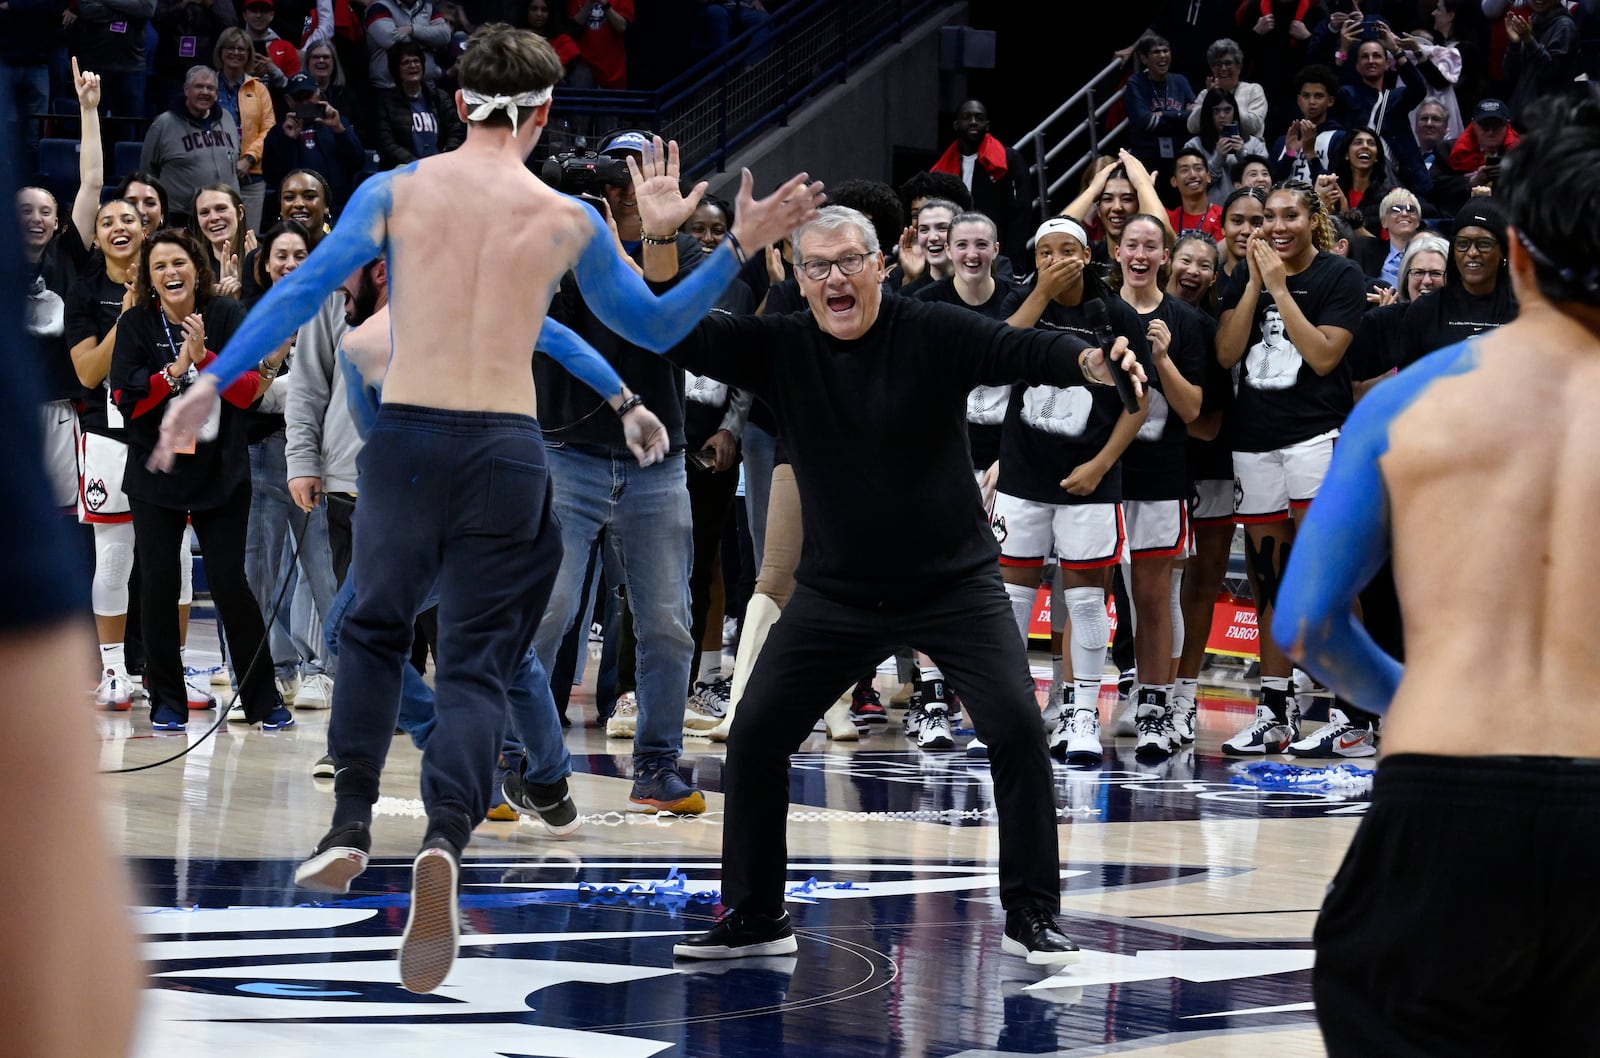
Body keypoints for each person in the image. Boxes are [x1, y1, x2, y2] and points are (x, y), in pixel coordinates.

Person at [151, 24, 822, 994]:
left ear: (459, 105)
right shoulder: (568, 218)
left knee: (372, 632)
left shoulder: (395, 191)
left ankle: (347, 818)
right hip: (508, 452)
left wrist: (210, 381)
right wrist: (737, 252)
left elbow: (303, 287)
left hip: (409, 442)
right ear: (546, 114)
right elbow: (659, 327)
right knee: (475, 661)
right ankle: (446, 838)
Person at [666, 204, 1146, 964]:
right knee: (756, 736)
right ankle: (757, 917)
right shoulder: (783, 345)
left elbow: (1017, 348)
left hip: (952, 584)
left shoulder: (928, 329)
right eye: (817, 266)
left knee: (1019, 732)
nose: (835, 279)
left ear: (881, 266)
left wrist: (1088, 362)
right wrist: (665, 240)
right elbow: (678, 331)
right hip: (837, 592)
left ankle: (1031, 912)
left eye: (849, 261)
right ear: (798, 276)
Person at [1274, 87, 1600, 1056]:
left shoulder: (1409, 403)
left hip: (1443, 788)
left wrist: (1413, 693)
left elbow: (1303, 624)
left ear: (1514, 256)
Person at [0, 72, 144, 1056]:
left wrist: (91, 116)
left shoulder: (77, 253)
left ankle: (113, 666)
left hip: (64, 417)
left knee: (95, 541)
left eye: (52, 207)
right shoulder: (24, 267)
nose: (45, 215)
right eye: (34, 206)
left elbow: (91, 191)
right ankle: (104, 664)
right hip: (39, 421)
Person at [108, 228, 291, 731]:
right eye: (160, 265)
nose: (171, 272)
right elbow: (129, 402)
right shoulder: (136, 325)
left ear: (196, 268)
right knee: (159, 584)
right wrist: (174, 370)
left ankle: (262, 698)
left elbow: (249, 392)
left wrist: (205, 357)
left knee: (232, 584)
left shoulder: (227, 315)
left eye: (179, 263)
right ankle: (166, 698)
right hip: (158, 473)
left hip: (221, 473)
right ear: (149, 277)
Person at [1215, 180, 1366, 753]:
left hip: (1316, 438)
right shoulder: (1244, 274)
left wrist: (1280, 288)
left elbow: (1326, 355)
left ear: (1313, 220)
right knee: (1267, 576)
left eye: (1288, 216)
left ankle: (1353, 713)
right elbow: (1227, 353)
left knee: (1328, 576)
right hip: (1254, 442)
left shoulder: (1339, 276)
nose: (1275, 227)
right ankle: (1274, 707)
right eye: (1265, 217)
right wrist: (1254, 285)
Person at [996, 215, 1149, 767]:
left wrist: (1100, 463)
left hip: (1091, 479)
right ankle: (1012, 712)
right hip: (1021, 476)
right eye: (1045, 252)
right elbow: (998, 355)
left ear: (1088, 255)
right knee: (1011, 601)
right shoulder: (1019, 300)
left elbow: (1140, 404)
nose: (1056, 259)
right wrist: (1039, 290)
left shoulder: (1115, 313)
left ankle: (1083, 715)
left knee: (1085, 603)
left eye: (1068, 250)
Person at [1113, 214, 1208, 753]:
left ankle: (1155, 708)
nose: (1142, 254)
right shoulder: (1100, 313)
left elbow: (1193, 409)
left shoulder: (1185, 322)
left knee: (1151, 598)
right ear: (1119, 251)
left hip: (1162, 478)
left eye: (1152, 246)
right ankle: (1075, 705)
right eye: (1133, 245)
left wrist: (1163, 359)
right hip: (1103, 476)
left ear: (1164, 257)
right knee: (1088, 597)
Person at [1391, 199, 1518, 370]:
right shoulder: (1424, 310)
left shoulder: (1525, 310)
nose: (1472, 252)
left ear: (1503, 251)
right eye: (1463, 244)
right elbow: (1409, 383)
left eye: (1484, 244)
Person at [139, 65, 242, 230]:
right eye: (199, 86)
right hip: (180, 220)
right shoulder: (163, 124)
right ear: (186, 90)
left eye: (210, 88)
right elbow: (147, 174)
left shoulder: (227, 119)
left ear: (216, 93)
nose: (205, 92)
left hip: (224, 218)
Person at [929, 99, 1030, 262]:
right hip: (955, 252)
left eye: (979, 117)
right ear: (956, 124)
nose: (973, 122)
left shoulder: (1008, 159)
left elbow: (1021, 212)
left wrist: (1013, 259)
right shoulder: (942, 167)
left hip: (997, 254)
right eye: (967, 117)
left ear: (987, 125)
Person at [262, 75, 366, 210]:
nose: (305, 102)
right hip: (295, 211)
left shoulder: (337, 124)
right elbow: (272, 177)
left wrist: (340, 130)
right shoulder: (278, 132)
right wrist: (287, 141)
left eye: (309, 96)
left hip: (334, 208)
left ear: (318, 95)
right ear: (289, 100)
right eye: (299, 98)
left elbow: (358, 162)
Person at [213, 28, 277, 233]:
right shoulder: (208, 85)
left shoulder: (259, 89)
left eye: (242, 49)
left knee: (249, 240)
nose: (236, 52)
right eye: (230, 47)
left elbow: (268, 129)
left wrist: (249, 158)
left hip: (252, 176)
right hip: (214, 174)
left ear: (249, 54)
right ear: (220, 52)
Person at [376, 40, 467, 168]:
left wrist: (444, 157)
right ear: (396, 69)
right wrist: (416, 165)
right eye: (406, 63)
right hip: (402, 172)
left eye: (416, 61)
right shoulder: (386, 102)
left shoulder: (440, 97)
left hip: (439, 169)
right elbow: (386, 144)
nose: (413, 66)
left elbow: (456, 131)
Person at [1124, 34, 1195, 176]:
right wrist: (1180, 118)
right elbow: (1145, 122)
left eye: (1166, 51)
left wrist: (1164, 114)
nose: (1163, 55)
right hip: (1147, 158)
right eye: (1156, 52)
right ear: (1144, 58)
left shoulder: (1180, 81)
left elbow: (1194, 118)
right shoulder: (1135, 83)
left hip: (1178, 156)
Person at [1185, 87, 1269, 205]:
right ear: (1209, 113)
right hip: (1210, 213)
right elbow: (1192, 185)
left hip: (1249, 209)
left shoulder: (1254, 143)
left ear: (1235, 112)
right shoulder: (1194, 146)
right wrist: (1218, 158)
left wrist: (1242, 156)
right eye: (1216, 111)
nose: (1222, 116)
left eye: (1227, 110)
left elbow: (1264, 182)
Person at [1186, 38, 1267, 139]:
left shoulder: (1253, 90)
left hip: (1249, 150)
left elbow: (1254, 126)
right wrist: (1210, 98)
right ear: (1212, 68)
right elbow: (1192, 127)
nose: (1223, 69)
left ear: (1239, 66)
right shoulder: (1206, 94)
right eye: (1218, 64)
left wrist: (1229, 105)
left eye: (1228, 63)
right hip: (1214, 151)